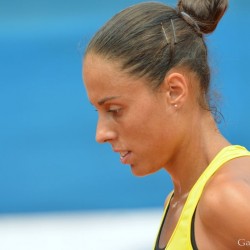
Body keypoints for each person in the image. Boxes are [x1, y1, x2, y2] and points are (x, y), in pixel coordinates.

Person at [82, 0, 250, 249]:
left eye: (115, 110)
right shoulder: (178, 203)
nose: (101, 134)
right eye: (99, 112)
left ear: (174, 91)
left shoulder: (227, 201)